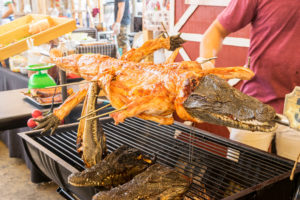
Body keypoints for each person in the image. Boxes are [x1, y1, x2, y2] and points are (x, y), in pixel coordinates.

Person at [199, 0, 300, 161]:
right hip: (255, 102)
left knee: (293, 179)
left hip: (297, 111)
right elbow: (216, 31)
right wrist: (206, 64)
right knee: (238, 174)